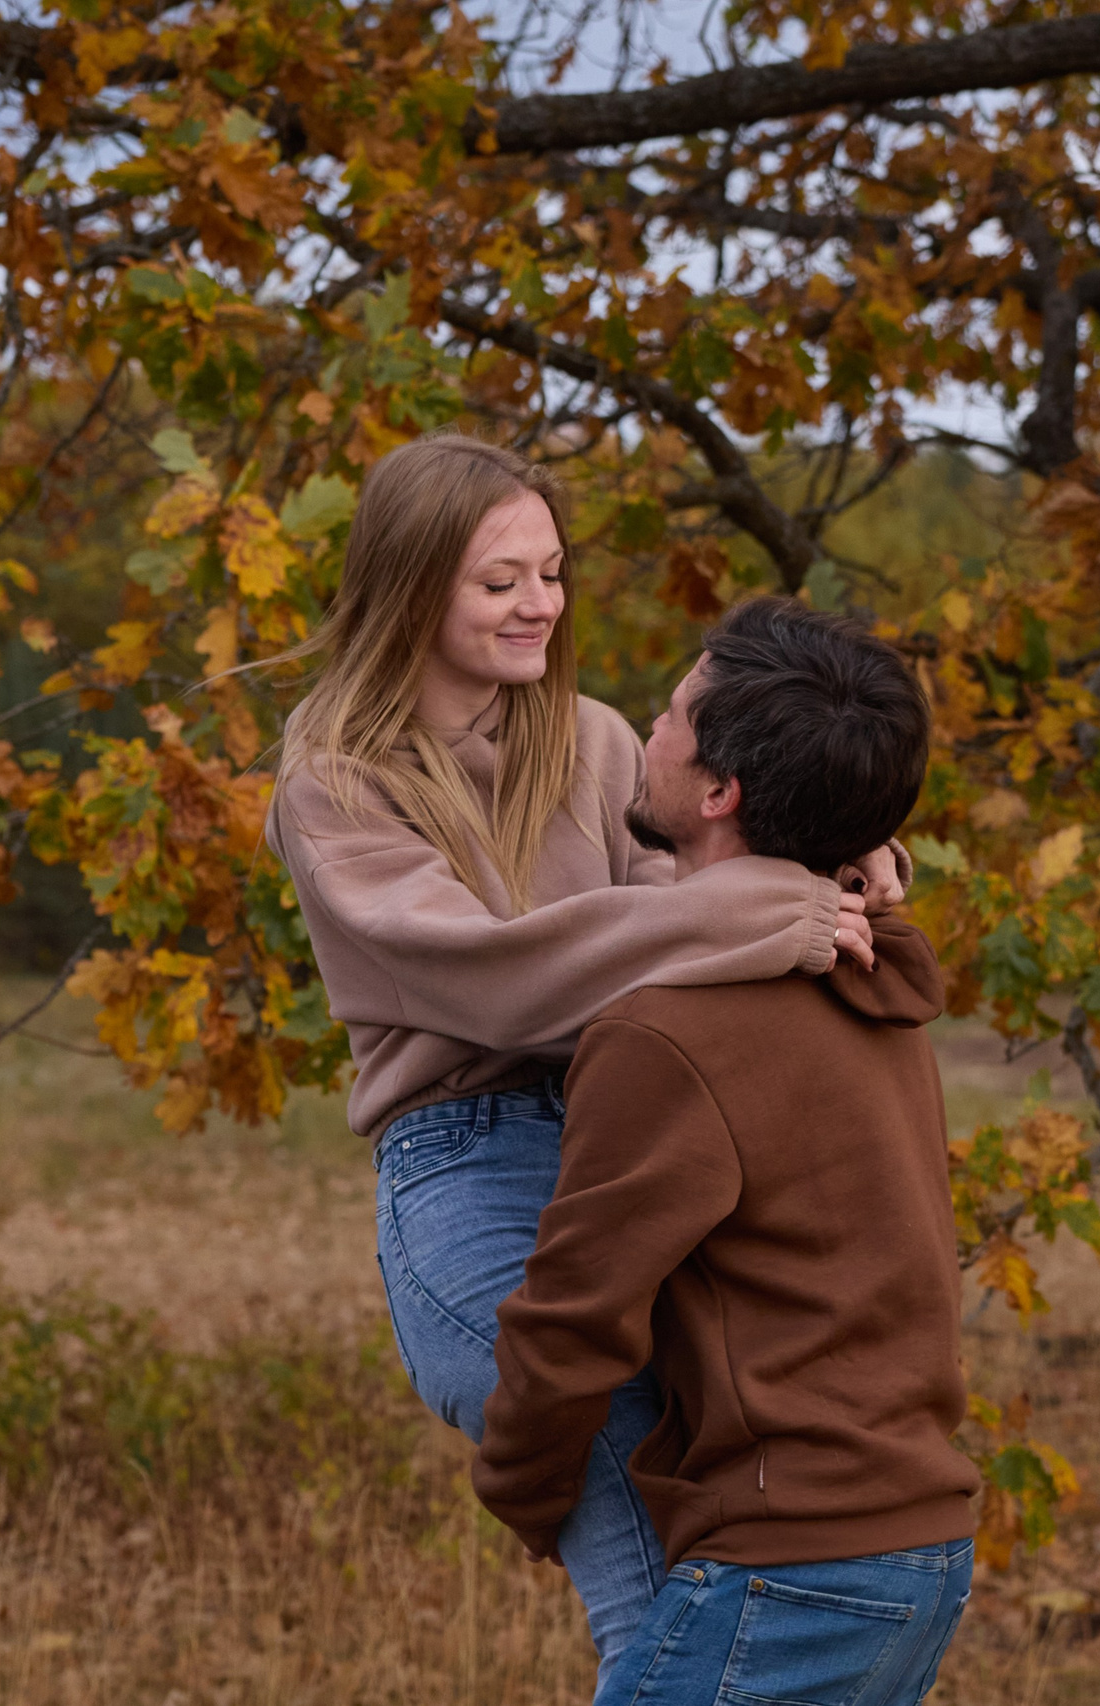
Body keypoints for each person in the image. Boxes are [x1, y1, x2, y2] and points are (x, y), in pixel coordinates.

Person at [259, 437, 905, 1679]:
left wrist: (837, 853)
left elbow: (699, 892)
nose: (539, 605)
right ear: (410, 586)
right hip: (471, 1171)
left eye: (551, 573)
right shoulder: (335, 782)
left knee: (730, 1557)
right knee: (653, 1581)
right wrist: (763, 907)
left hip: (631, 1150)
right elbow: (496, 978)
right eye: (499, 581)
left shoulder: (598, 740)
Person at [472, 596, 980, 1706]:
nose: (646, 733)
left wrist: (520, 1484)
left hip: (795, 1566)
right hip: (921, 1548)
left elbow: (578, 1314)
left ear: (719, 793)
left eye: (668, 716)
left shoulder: (668, 1034)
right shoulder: (869, 980)